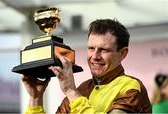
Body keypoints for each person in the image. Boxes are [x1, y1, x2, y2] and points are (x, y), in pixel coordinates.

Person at [22, 19, 152, 113]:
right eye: (91, 48)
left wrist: (71, 92)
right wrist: (35, 99)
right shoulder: (82, 89)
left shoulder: (131, 87)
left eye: (104, 50)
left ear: (122, 53)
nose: (95, 56)